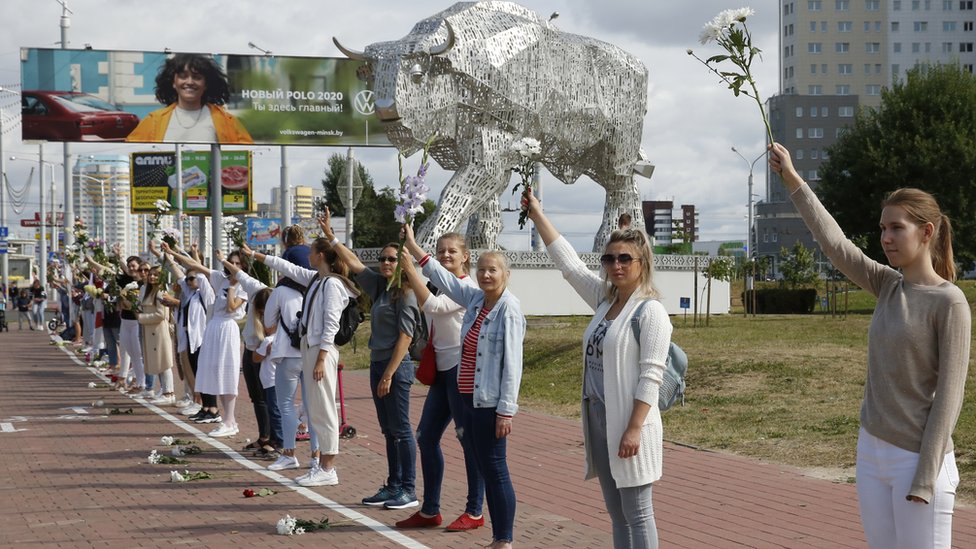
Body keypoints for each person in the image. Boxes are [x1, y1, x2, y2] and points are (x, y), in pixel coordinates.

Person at [768, 143, 970, 548]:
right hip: (872, 454)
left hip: (918, 461)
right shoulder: (887, 284)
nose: (886, 238)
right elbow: (835, 244)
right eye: (883, 228)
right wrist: (792, 179)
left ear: (927, 232)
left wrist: (925, 479)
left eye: (897, 228)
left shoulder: (949, 303)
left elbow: (950, 398)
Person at [524, 189, 671, 549]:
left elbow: (651, 376)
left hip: (630, 423)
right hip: (598, 418)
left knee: (638, 511)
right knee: (616, 513)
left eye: (625, 259)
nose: (616, 265)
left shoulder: (650, 311)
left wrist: (634, 429)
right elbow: (570, 266)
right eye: (609, 258)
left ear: (642, 264)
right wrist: (538, 215)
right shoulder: (605, 302)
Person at [402, 223, 526, 549]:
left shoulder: (508, 310)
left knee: (495, 468)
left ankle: (503, 538)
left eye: (493, 270)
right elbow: (444, 280)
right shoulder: (476, 299)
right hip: (468, 396)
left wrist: (506, 411)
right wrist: (414, 248)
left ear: (506, 274)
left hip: (489, 402)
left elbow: (513, 365)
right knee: (486, 463)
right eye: (483, 270)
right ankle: (499, 538)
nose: (486, 275)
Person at [321, 211, 422, 509]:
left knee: (401, 429)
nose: (386, 263)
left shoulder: (406, 293)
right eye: (383, 258)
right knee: (388, 430)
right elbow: (354, 263)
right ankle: (393, 485)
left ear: (403, 262)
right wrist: (332, 237)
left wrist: (389, 374)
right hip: (379, 365)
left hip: (396, 368)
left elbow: (405, 337)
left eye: (392, 258)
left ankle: (408, 489)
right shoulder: (381, 286)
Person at [244, 229, 360, 487]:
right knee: (316, 409)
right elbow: (286, 267)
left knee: (324, 408)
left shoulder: (332, 284)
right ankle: (321, 465)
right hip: (309, 348)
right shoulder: (317, 279)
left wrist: (321, 359)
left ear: (321, 256)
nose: (308, 256)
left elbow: (330, 324)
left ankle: (327, 467)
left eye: (312, 252)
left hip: (320, 350)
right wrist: (255, 255)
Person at [394, 232, 486, 532]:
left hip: (462, 372)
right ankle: (430, 510)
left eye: (452, 251)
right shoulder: (439, 285)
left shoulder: (468, 288)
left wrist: (410, 268)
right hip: (442, 373)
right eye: (441, 251)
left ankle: (474, 511)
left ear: (465, 256)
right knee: (426, 436)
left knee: (468, 441)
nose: (445, 255)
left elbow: (434, 307)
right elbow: (429, 306)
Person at [166, 245, 248, 436]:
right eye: (231, 263)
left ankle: (230, 420)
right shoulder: (221, 279)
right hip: (213, 328)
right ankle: (226, 419)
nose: (233, 266)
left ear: (243, 266)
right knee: (214, 372)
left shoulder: (244, 285)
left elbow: (231, 308)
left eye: (237, 264)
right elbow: (195, 265)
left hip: (228, 328)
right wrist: (173, 252)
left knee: (227, 373)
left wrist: (233, 286)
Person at [126, 53, 253, 144]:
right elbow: (130, 154)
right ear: (173, 82)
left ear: (206, 84)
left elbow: (247, 157)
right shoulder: (154, 121)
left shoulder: (227, 121)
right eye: (183, 76)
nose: (190, 82)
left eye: (197, 77)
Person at [138, 266, 176, 405]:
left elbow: (161, 314)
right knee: (158, 362)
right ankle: (165, 391)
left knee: (164, 362)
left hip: (159, 331)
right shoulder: (149, 291)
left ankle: (169, 393)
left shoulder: (160, 292)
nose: (152, 277)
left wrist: (141, 318)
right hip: (151, 331)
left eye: (155, 275)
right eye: (151, 274)